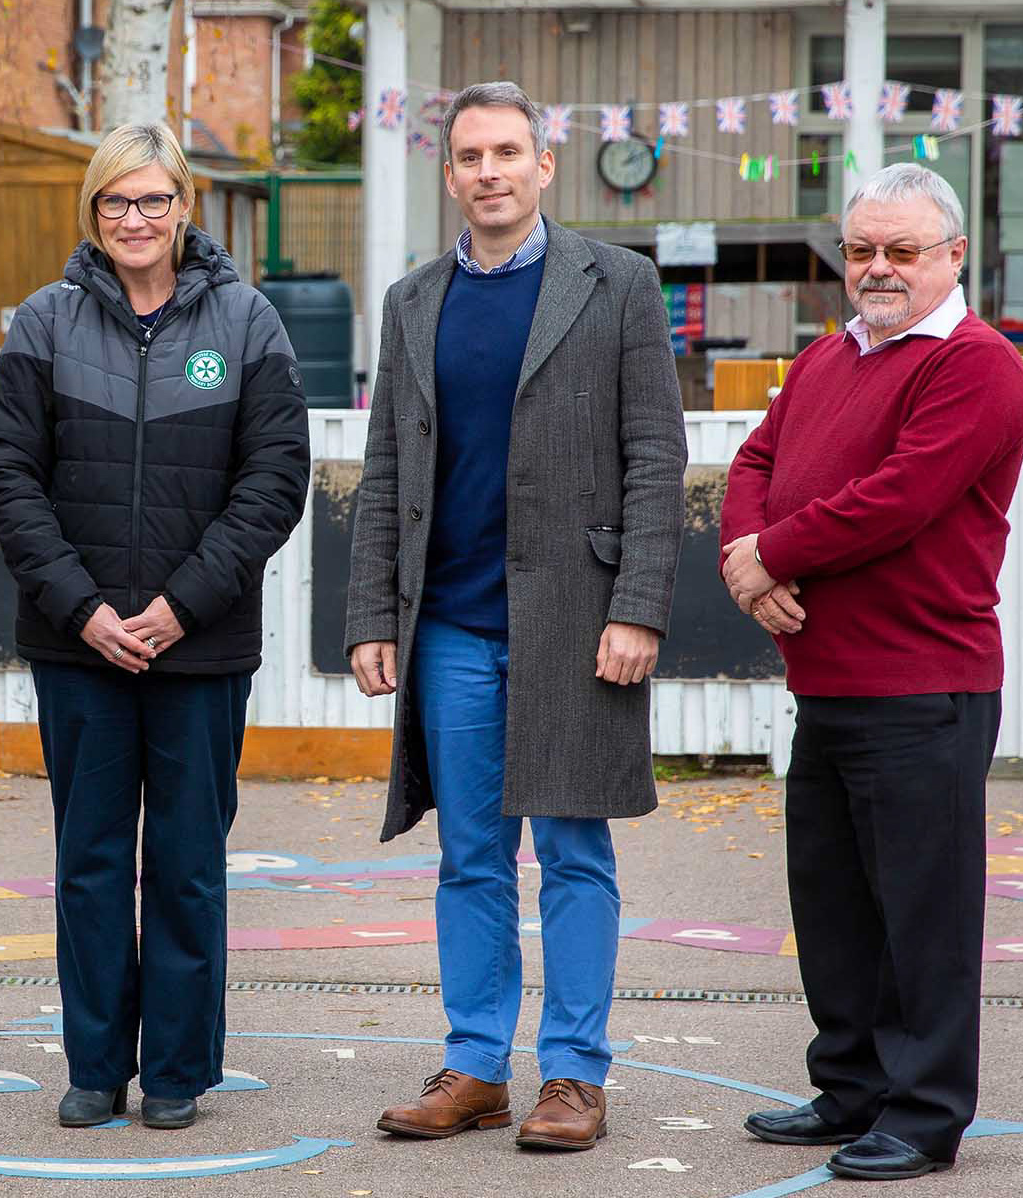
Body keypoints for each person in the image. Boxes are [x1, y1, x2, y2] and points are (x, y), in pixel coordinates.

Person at [344, 81, 685, 1151]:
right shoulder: (411, 300)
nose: (487, 171)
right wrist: (370, 615)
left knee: (575, 851)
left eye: (505, 152)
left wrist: (635, 606)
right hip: (447, 623)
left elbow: (654, 457)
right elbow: (388, 464)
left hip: (579, 622)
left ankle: (574, 1075)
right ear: (446, 174)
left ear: (543, 165)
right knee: (470, 857)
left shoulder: (617, 284)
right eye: (467, 156)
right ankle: (476, 1064)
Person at [0, 122, 310, 1131]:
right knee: (86, 860)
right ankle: (91, 1066)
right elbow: (6, 479)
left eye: (152, 200)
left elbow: (271, 482)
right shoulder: (42, 323)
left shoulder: (247, 323)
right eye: (114, 202)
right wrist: (84, 610)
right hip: (75, 649)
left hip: (199, 647)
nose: (134, 219)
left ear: (181, 208)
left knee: (185, 860)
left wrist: (175, 607)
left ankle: (173, 1070)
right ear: (92, 210)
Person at [719, 163, 1023, 1182]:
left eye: (901, 250)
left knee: (922, 915)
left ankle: (925, 1110)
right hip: (828, 681)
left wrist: (772, 555)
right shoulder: (827, 358)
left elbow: (895, 499)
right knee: (835, 907)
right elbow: (753, 464)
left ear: (950, 256)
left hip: (924, 684)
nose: (877, 268)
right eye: (860, 250)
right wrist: (745, 560)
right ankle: (848, 1086)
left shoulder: (975, 366)